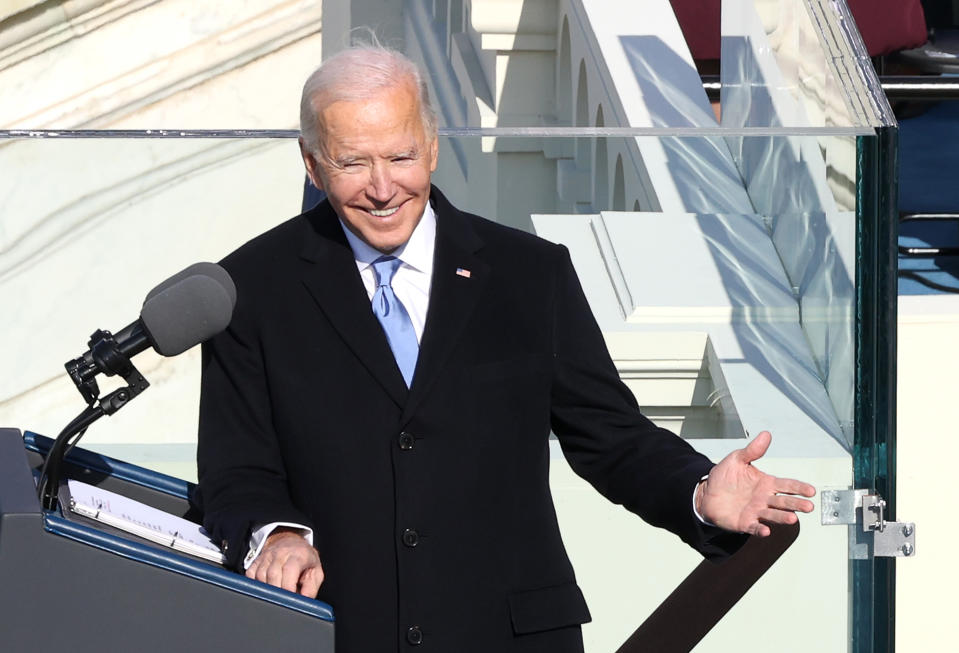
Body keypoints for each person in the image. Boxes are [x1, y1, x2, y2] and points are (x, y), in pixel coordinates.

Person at [196, 44, 815, 653]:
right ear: (312, 163)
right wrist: (274, 535)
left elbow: (612, 438)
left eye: (402, 155)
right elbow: (237, 470)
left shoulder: (529, 274)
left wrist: (699, 490)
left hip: (513, 634)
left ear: (433, 144)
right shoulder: (251, 288)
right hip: (336, 630)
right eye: (353, 163)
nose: (383, 188)